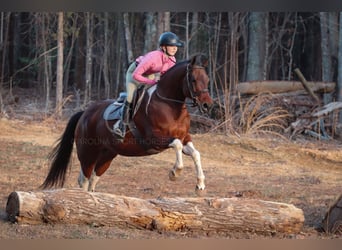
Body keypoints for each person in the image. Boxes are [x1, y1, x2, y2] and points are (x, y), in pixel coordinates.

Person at [113, 31, 184, 139]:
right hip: (134, 73)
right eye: (172, 46)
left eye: (176, 46)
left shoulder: (172, 60)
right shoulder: (152, 58)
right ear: (163, 47)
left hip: (150, 74)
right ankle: (121, 126)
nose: (175, 48)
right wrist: (152, 82)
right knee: (131, 97)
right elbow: (136, 75)